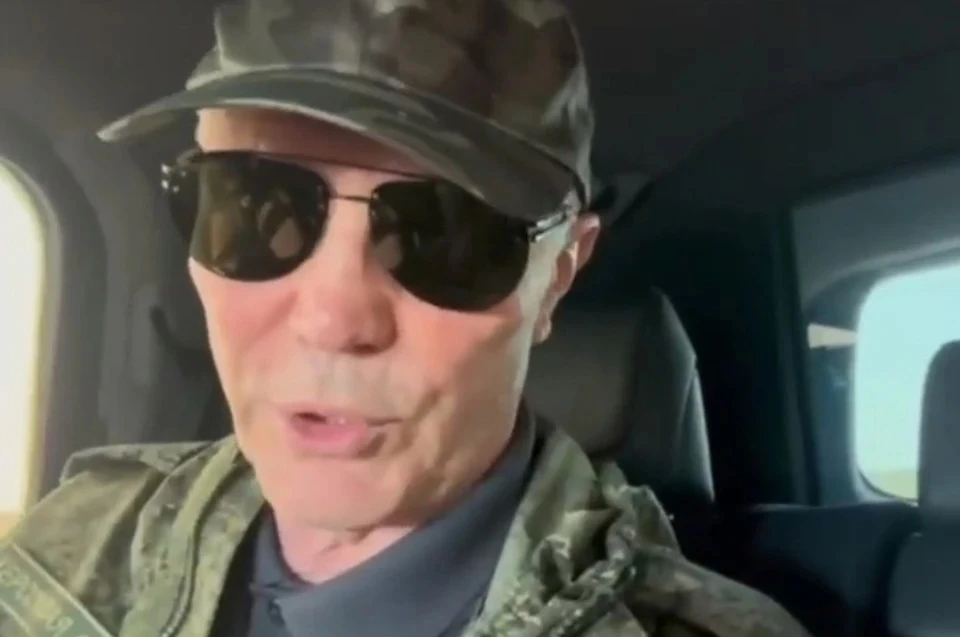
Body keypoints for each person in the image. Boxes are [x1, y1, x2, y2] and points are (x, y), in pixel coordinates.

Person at [0, 0, 812, 635]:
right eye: (254, 207)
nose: (333, 318)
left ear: (558, 277)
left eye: (447, 238)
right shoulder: (78, 539)